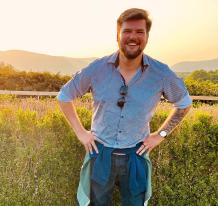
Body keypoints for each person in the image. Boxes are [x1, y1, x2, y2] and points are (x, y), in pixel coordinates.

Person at [57, 8, 192, 206]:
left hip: (135, 155)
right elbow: (64, 96)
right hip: (100, 153)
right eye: (127, 31)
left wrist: (160, 135)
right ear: (117, 34)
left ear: (147, 36)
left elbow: (184, 104)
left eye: (140, 32)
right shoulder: (97, 69)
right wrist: (80, 132)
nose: (133, 37)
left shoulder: (161, 73)